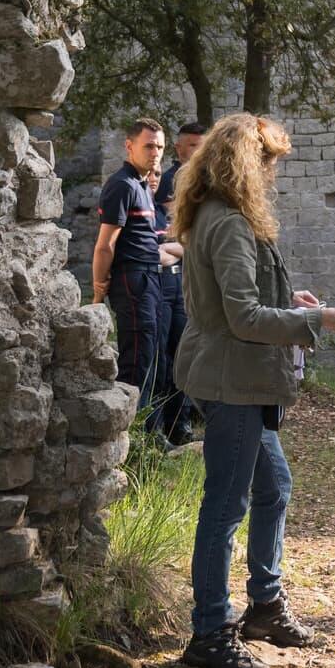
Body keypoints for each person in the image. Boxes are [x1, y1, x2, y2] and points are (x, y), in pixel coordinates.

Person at [168, 113, 335, 668]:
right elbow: (242, 319)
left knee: (274, 488)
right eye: (269, 161)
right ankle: (208, 635)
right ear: (248, 163)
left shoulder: (224, 217)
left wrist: (288, 298)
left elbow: (237, 297)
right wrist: (313, 319)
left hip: (242, 379)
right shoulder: (227, 222)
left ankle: (265, 610)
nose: (274, 173)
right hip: (233, 382)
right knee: (225, 508)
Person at [91, 119, 169, 419]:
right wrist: (98, 287)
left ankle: (146, 431)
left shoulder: (141, 184)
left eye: (160, 146)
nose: (155, 152)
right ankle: (126, 434)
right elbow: (104, 245)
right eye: (148, 145)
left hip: (151, 276)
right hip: (132, 279)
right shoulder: (121, 185)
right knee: (136, 357)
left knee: (152, 352)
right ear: (129, 146)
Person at [149, 121, 208, 448]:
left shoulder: (205, 180)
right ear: (179, 148)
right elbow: (168, 239)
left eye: (202, 145)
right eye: (192, 146)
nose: (197, 151)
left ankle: (181, 422)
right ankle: (161, 426)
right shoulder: (170, 180)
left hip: (188, 278)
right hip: (164, 282)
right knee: (163, 355)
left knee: (186, 354)